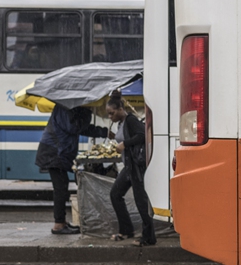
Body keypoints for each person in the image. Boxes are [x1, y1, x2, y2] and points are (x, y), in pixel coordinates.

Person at [35, 103, 110, 235]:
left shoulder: (69, 108)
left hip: (58, 152)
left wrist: (106, 133)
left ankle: (61, 222)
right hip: (54, 152)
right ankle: (58, 224)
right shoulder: (64, 107)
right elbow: (75, 127)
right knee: (60, 189)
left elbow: (82, 128)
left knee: (62, 187)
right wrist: (87, 111)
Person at [106, 92, 155, 246]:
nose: (110, 117)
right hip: (128, 166)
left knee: (141, 202)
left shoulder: (131, 120)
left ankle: (149, 237)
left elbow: (142, 135)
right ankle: (126, 230)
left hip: (135, 167)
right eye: (108, 114)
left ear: (120, 109)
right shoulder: (121, 123)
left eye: (112, 113)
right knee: (115, 194)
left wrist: (124, 144)